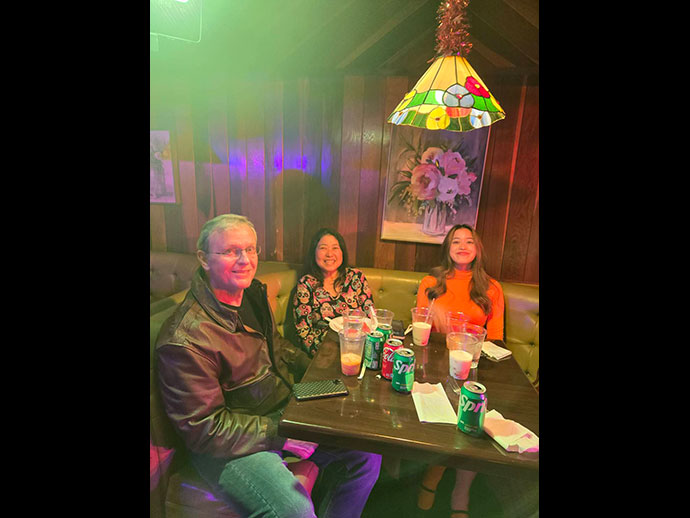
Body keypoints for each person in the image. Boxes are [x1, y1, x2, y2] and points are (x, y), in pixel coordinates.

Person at [155, 214, 381, 518]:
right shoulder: (185, 338)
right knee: (295, 510)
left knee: (366, 455)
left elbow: (279, 348)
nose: (245, 260)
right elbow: (204, 429)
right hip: (230, 446)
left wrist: (323, 373)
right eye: (231, 251)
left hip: (280, 410)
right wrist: (281, 433)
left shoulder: (251, 294)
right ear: (204, 259)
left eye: (250, 249)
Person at [415, 224, 505, 518]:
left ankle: (460, 489)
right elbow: (421, 330)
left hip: (476, 367)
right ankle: (434, 474)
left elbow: (496, 338)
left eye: (469, 241)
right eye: (456, 241)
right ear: (448, 248)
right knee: (442, 415)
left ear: (477, 249)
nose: (463, 246)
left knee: (475, 414)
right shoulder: (430, 283)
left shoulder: (492, 288)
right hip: (435, 365)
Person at [287, 228, 375, 356]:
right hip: (323, 353)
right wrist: (327, 356)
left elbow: (370, 318)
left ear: (342, 252)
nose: (329, 254)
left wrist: (360, 350)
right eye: (323, 248)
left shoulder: (356, 277)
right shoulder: (306, 285)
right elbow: (303, 333)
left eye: (335, 248)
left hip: (358, 348)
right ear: (314, 253)